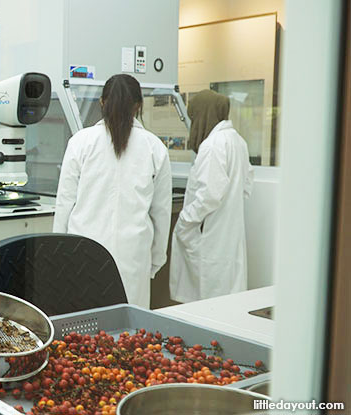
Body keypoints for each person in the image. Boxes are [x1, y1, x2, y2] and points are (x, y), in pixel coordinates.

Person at [53, 74, 172, 309]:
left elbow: (64, 204)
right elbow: (161, 213)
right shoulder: (154, 148)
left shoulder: (81, 142)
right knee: (128, 336)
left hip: (83, 254)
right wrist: (155, 261)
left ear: (101, 102)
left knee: (84, 336)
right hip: (133, 258)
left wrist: (60, 256)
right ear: (138, 106)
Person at [170, 89, 254, 303]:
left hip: (211, 238)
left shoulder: (213, 145)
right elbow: (246, 187)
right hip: (228, 235)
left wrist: (185, 220)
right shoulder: (237, 142)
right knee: (227, 300)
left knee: (209, 302)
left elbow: (209, 195)